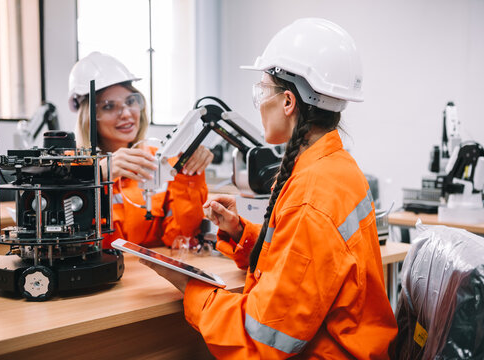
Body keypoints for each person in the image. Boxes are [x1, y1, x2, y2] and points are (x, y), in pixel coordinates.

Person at [140, 18, 398, 358]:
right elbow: (300, 264)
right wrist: (241, 232)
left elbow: (261, 342)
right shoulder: (334, 167)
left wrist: (191, 288)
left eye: (262, 90)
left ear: (288, 102)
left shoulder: (311, 197)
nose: (259, 101)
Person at [68, 52, 213, 249]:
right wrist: (96, 175)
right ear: (88, 116)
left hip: (149, 276)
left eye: (130, 101)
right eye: (109, 106)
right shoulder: (68, 167)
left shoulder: (158, 160)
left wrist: (190, 174)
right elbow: (65, 239)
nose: (126, 114)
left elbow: (180, 238)